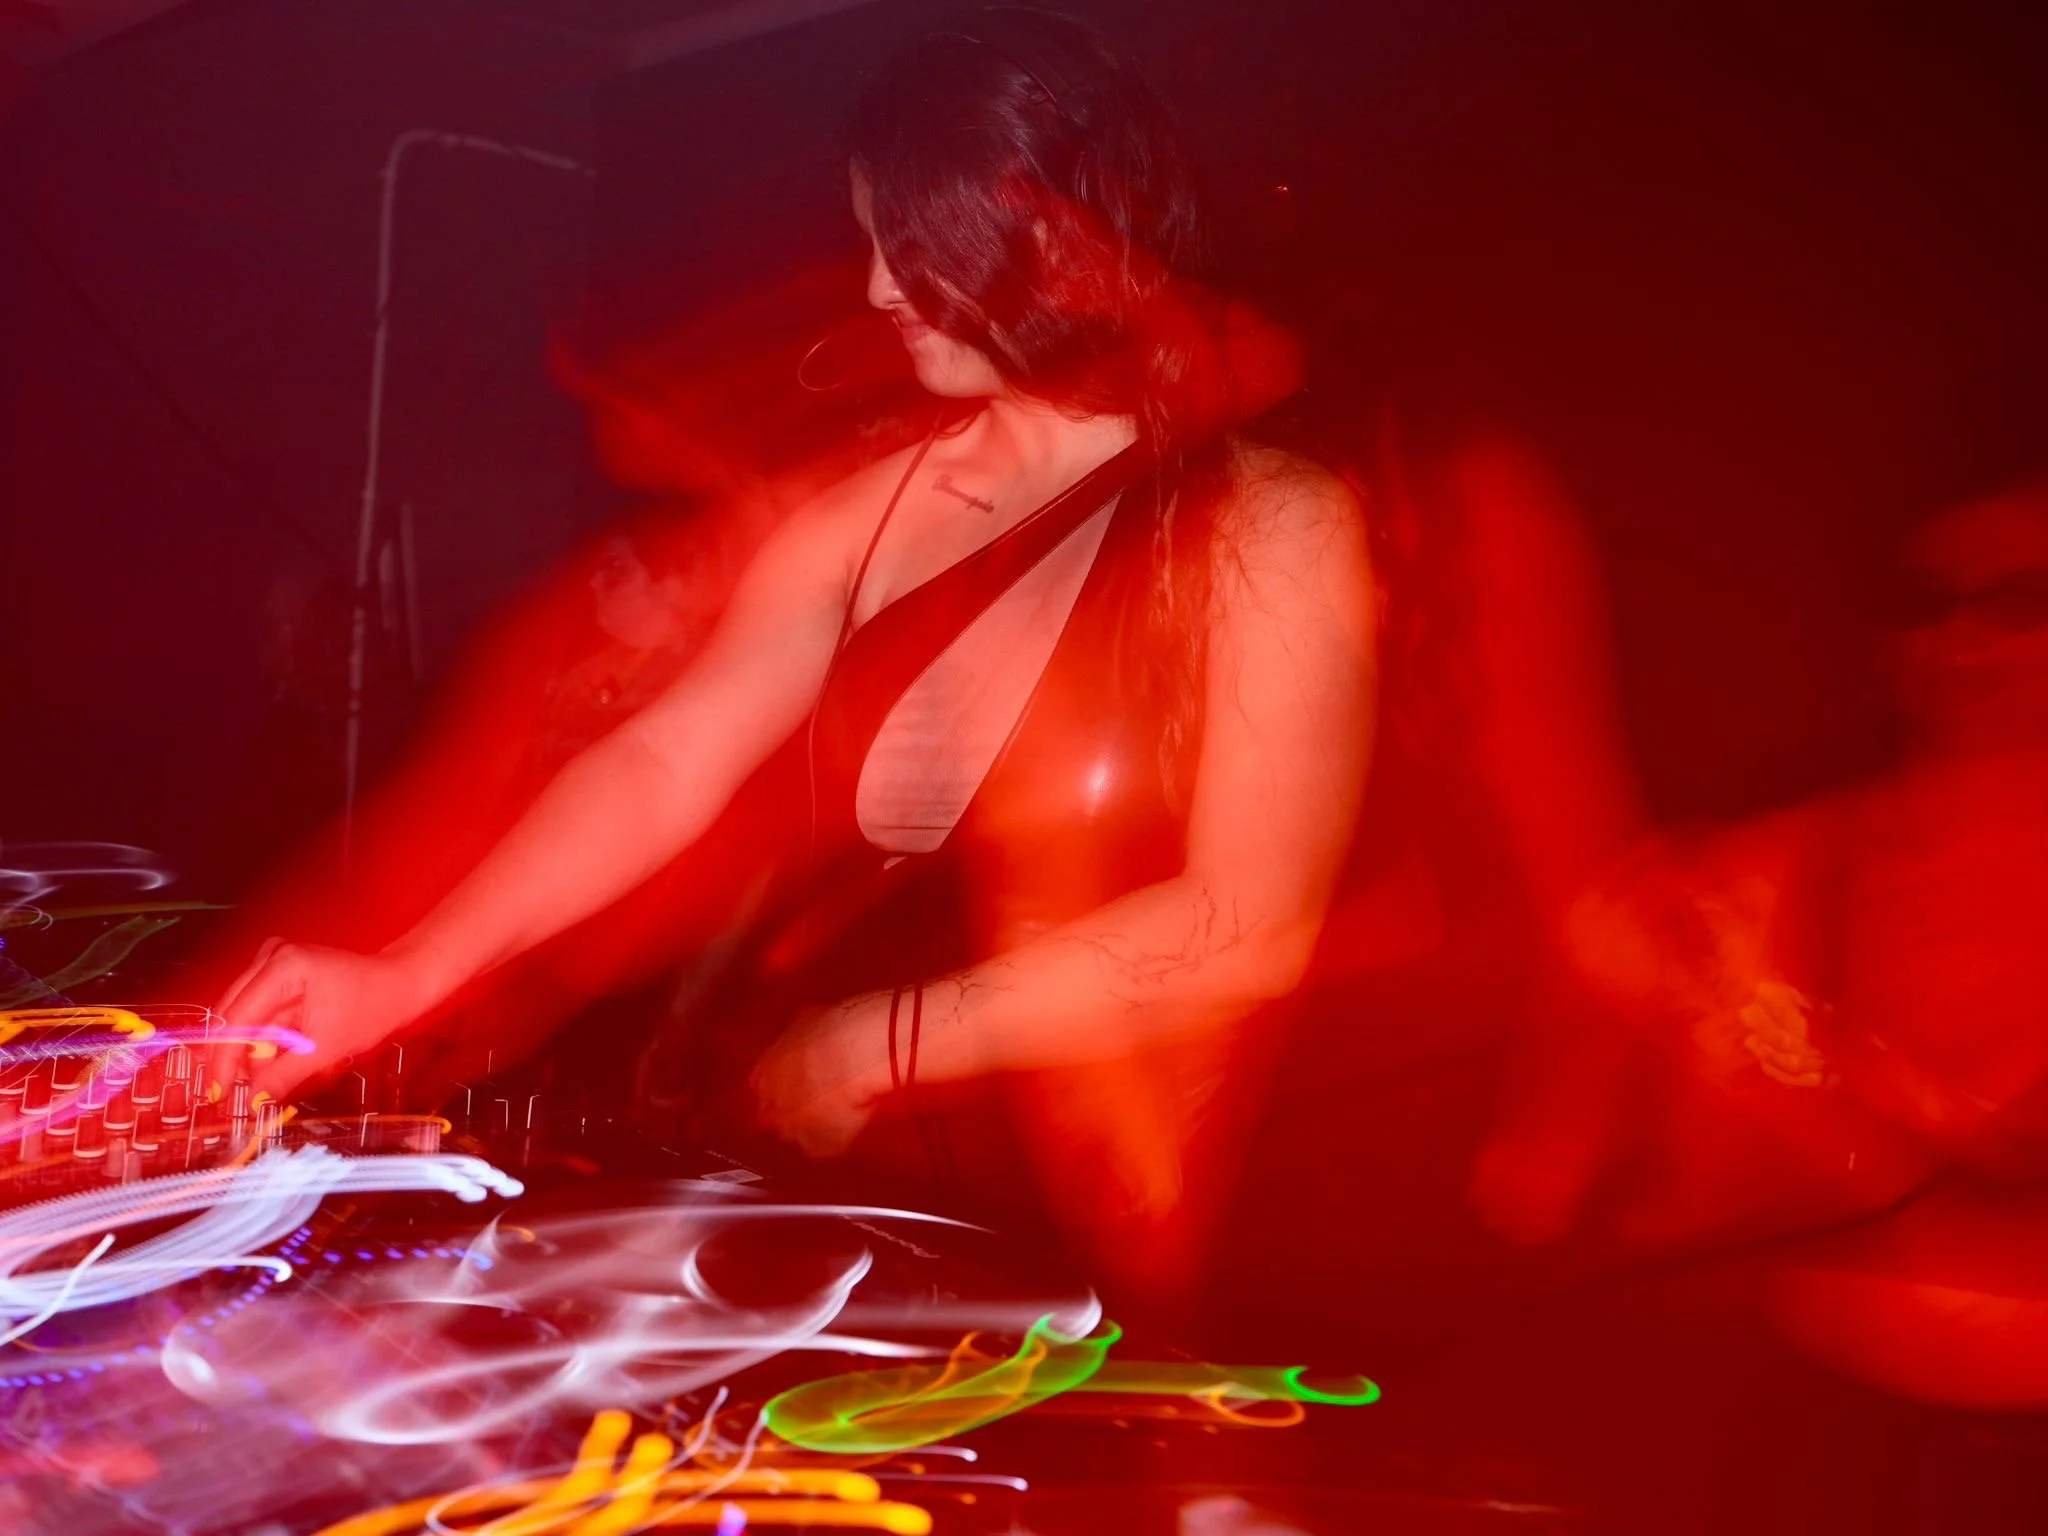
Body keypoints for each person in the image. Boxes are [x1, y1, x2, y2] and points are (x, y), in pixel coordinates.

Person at [220, 7, 1374, 1295]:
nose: (880, 286)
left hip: (1136, 1225)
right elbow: (662, 762)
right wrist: (408, 970)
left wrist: (880, 1042)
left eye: (914, 241)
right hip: (885, 1214)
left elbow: (1245, 926)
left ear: (1044, 235)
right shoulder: (863, 512)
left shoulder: (1268, 528)